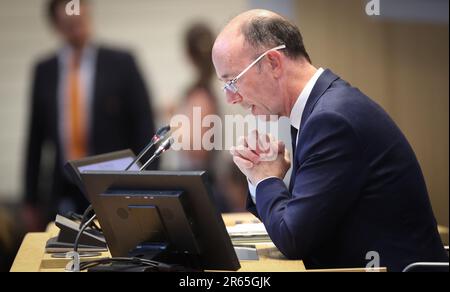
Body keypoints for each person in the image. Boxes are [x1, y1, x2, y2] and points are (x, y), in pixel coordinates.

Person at [212, 9, 447, 271]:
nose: (231, 98)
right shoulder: (319, 109)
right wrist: (263, 178)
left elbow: (293, 238)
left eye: (233, 81)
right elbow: (301, 222)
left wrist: (265, 178)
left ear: (273, 64)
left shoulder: (332, 120)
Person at [23, 0, 158, 230]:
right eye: (69, 24)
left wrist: (147, 186)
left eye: (80, 20)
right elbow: (35, 139)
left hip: (113, 186)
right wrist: (31, 199)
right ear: (56, 25)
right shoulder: (44, 71)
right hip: (64, 187)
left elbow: (145, 129)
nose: (76, 28)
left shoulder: (121, 63)